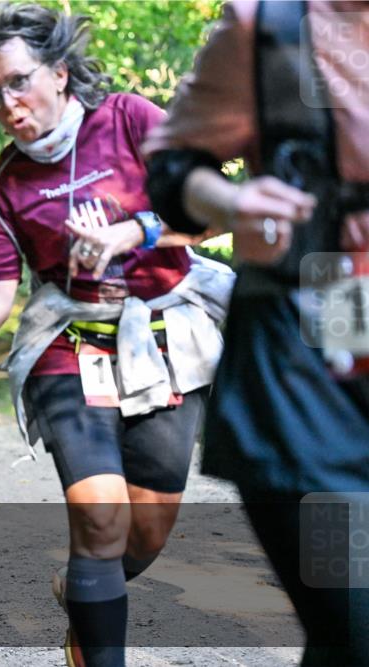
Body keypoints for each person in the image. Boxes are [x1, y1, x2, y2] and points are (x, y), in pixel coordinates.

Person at [0, 4, 234, 665]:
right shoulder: (4, 185)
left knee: (145, 533)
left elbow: (217, 210)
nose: (8, 104)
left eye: (19, 82)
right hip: (69, 348)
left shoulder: (129, 119)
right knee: (100, 520)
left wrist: (136, 231)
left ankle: (82, 590)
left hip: (164, 341)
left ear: (59, 73)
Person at [142, 2, 369, 664]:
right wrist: (234, 201)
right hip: (308, 362)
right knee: (353, 625)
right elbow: (172, 170)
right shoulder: (267, 27)